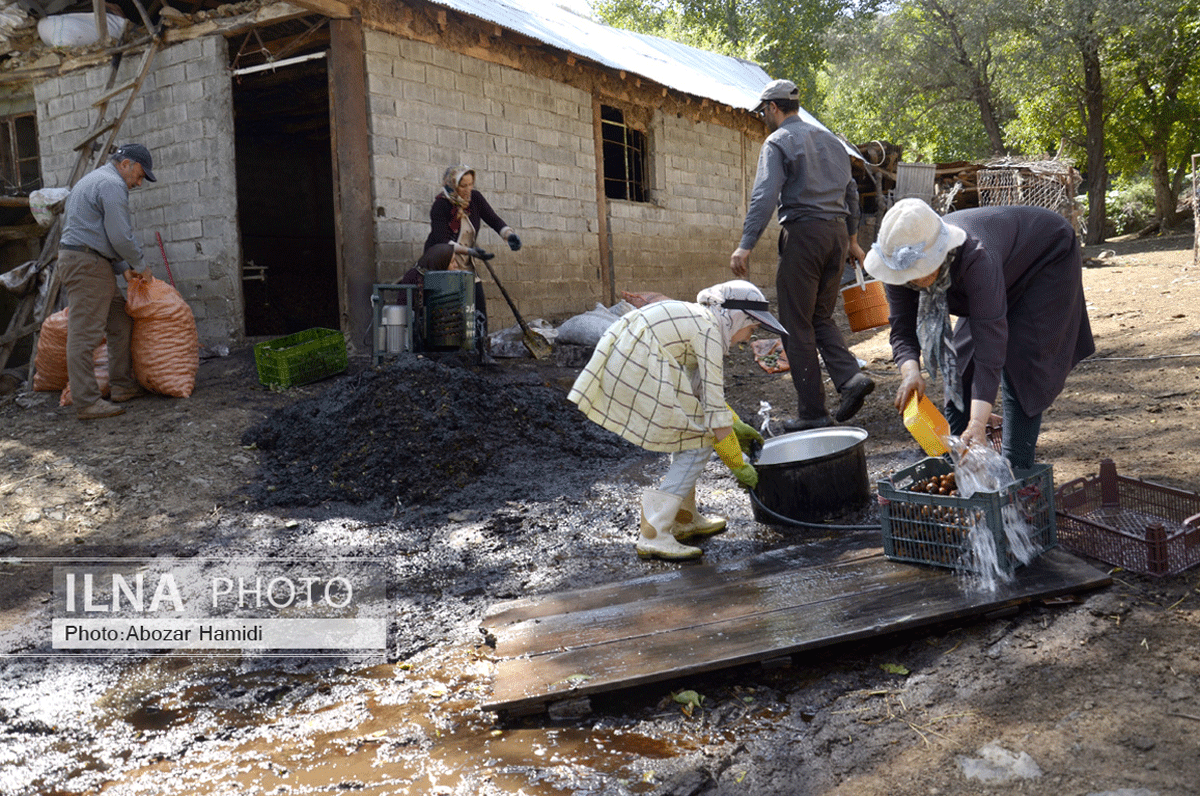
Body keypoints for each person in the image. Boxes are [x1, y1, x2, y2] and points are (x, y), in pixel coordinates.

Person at [864, 198, 1095, 469]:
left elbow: (990, 345)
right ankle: (956, 464)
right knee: (961, 367)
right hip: (1001, 268)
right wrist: (911, 373)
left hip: (1044, 257)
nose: (915, 280)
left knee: (1023, 362)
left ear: (941, 250)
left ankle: (1016, 472)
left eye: (921, 270)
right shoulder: (898, 268)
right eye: (909, 275)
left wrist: (978, 421)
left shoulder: (976, 257)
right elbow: (902, 327)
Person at [568, 280, 786, 561]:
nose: (748, 338)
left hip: (634, 357)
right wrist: (738, 464)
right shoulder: (708, 331)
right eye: (752, 328)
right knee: (699, 441)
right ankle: (654, 534)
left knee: (691, 430)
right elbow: (711, 408)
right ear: (738, 316)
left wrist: (735, 426)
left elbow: (703, 396)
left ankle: (684, 517)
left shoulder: (703, 321)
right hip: (635, 364)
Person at [730, 79, 875, 432]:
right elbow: (852, 192)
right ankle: (850, 378)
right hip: (836, 236)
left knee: (795, 325)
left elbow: (765, 195)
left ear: (773, 108)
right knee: (820, 317)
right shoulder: (833, 141)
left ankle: (812, 413)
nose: (764, 116)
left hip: (804, 235)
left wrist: (746, 243)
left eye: (763, 111)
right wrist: (853, 241)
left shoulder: (777, 141)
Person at [58, 143, 157, 420]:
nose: (138, 183)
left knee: (119, 321)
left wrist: (122, 266)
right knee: (84, 335)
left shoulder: (94, 180)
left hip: (93, 262)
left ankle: (122, 386)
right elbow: (120, 235)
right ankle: (87, 402)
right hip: (87, 265)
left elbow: (96, 230)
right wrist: (140, 266)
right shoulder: (112, 185)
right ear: (125, 164)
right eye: (139, 175)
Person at [424, 165, 522, 364]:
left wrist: (509, 235)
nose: (468, 189)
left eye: (471, 184)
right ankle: (447, 356)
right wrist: (472, 252)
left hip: (465, 262)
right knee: (448, 309)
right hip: (443, 260)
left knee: (478, 305)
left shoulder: (475, 199)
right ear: (452, 185)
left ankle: (480, 353)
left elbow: (493, 219)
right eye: (463, 185)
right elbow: (442, 240)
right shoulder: (441, 206)